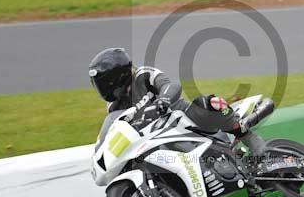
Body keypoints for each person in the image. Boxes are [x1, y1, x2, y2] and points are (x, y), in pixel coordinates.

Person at [88, 48, 267, 156]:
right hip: (156, 137)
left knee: (213, 103)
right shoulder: (114, 107)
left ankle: (250, 139)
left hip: (183, 118)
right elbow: (117, 128)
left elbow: (170, 85)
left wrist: (164, 100)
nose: (101, 88)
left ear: (116, 76)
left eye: (102, 82)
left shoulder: (143, 75)